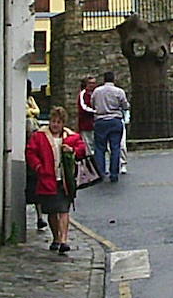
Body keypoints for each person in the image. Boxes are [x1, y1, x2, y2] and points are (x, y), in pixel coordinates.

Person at [25, 105, 87, 253]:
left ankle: (64, 240)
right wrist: (39, 167)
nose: (55, 125)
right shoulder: (39, 136)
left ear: (63, 123)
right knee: (52, 212)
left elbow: (82, 149)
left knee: (64, 210)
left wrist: (72, 150)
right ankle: (56, 238)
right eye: (53, 121)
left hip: (65, 180)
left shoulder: (71, 137)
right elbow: (30, 152)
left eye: (59, 122)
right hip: (47, 180)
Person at [90, 71, 130, 182]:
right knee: (115, 147)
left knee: (100, 148)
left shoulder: (97, 91)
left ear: (104, 79)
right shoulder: (119, 92)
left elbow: (92, 104)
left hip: (100, 121)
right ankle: (114, 174)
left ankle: (101, 172)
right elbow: (125, 105)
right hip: (115, 120)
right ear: (113, 79)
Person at [25, 93, 47, 232]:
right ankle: (38, 218)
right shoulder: (28, 117)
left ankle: (39, 218)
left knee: (34, 189)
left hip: (32, 159)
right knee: (31, 190)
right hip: (28, 157)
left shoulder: (30, 103)